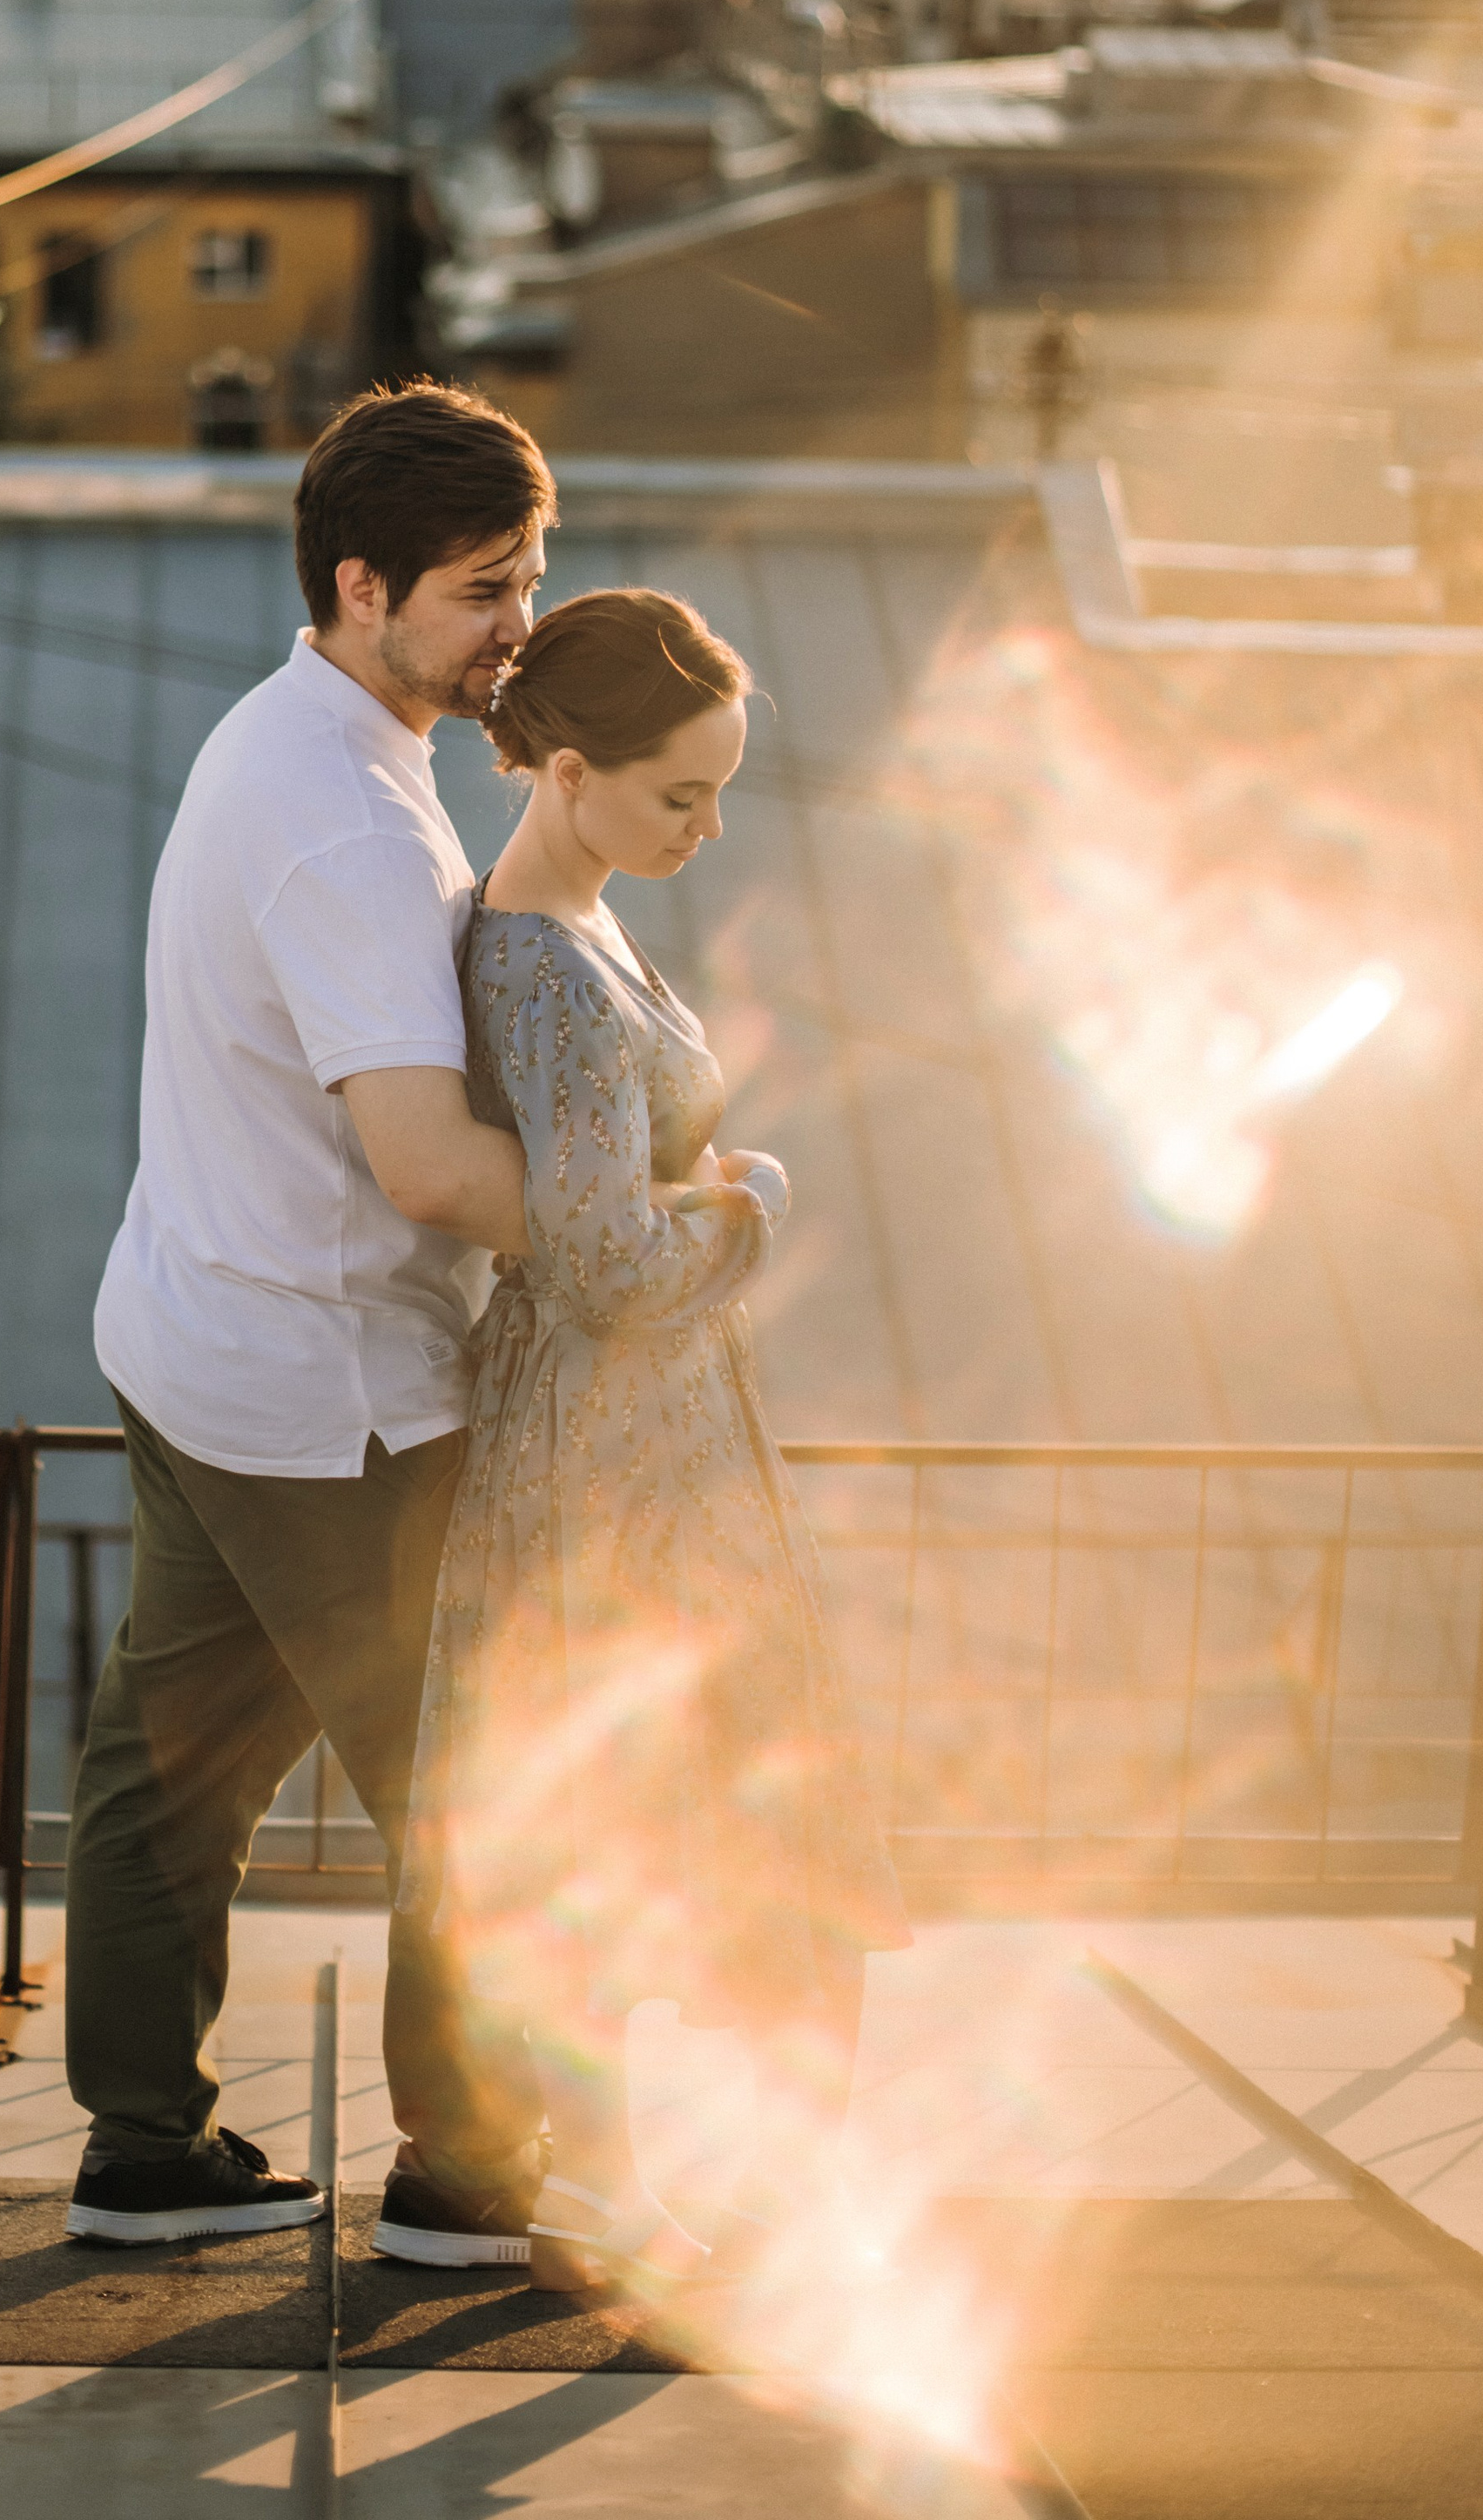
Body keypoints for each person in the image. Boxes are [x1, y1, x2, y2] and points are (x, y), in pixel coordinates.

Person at [60, 382, 554, 2265]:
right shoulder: (348, 823)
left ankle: (139, 2151)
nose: (517, 619)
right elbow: (427, 1166)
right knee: (468, 1780)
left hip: (195, 1342)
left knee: (166, 1764)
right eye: (481, 587)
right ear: (362, 585)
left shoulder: (282, 733)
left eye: (531, 572)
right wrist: (647, 1222)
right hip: (328, 1394)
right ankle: (461, 2170)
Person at [401, 588, 908, 2299]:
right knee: (675, 1820)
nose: (707, 826)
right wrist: (751, 1205)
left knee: (644, 1822)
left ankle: (634, 2186)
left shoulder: (564, 925)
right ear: (560, 772)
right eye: (679, 795)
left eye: (716, 792)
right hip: (621, 1459)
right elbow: (606, 1256)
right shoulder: (544, 967)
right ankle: (651, 2192)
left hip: (636, 1446)